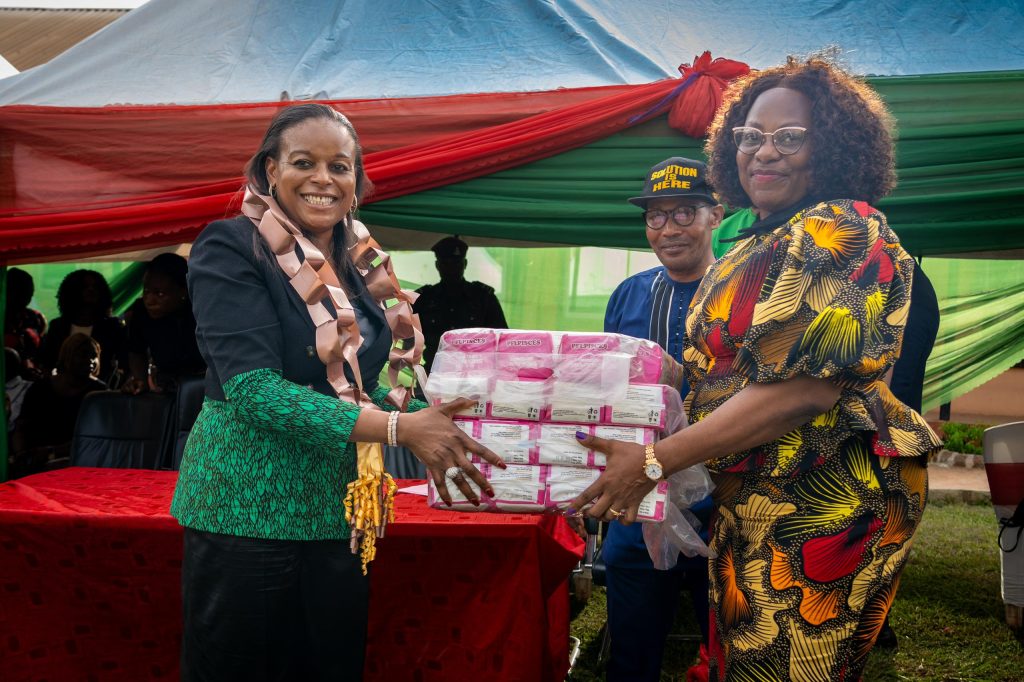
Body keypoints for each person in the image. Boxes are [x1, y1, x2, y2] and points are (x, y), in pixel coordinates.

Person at [571, 55, 942, 681]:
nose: (763, 153)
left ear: (834, 144)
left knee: (782, 668)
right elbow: (731, 366)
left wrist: (658, 460)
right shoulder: (765, 237)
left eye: (789, 137)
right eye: (750, 137)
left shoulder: (840, 228)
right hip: (752, 495)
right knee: (743, 661)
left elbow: (802, 391)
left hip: (819, 501)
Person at [170, 103, 504, 682]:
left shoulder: (357, 263)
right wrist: (403, 431)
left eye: (340, 166)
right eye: (304, 162)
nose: (324, 179)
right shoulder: (229, 247)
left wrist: (455, 419)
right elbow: (253, 391)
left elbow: (367, 384)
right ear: (270, 170)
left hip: (340, 507)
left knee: (329, 664)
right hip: (248, 505)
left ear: (356, 181)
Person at [601, 157, 722, 681]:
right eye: (656, 217)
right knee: (632, 645)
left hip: (729, 496)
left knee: (729, 644)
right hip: (638, 496)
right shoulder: (629, 293)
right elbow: (603, 392)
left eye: (684, 213)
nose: (668, 229)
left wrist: (688, 385)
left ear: (716, 214)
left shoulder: (745, 291)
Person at [11, 334, 106, 477]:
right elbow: (21, 427)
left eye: (94, 356)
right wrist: (22, 455)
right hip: (36, 459)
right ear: (68, 356)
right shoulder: (40, 388)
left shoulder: (99, 392)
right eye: (83, 355)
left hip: (78, 460)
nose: (91, 361)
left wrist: (52, 452)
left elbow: (96, 439)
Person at [414, 236, 508, 371]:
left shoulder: (483, 297)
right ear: (437, 265)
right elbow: (404, 338)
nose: (451, 269)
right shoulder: (424, 299)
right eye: (445, 263)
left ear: (465, 264)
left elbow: (502, 339)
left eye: (456, 263)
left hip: (475, 375)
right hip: (436, 375)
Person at [122, 253, 206, 394]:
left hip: (205, 385)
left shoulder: (202, 309)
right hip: (166, 386)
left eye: (159, 294)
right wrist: (139, 380)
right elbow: (136, 351)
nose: (149, 300)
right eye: (146, 291)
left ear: (183, 291)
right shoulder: (140, 312)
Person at [37, 269, 128, 385]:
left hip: (100, 390)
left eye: (95, 287)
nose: (91, 290)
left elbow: (124, 363)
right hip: (63, 391)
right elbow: (47, 363)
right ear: (72, 291)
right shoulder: (58, 326)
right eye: (85, 287)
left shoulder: (113, 327)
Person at [3, 267, 46, 374]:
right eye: (19, 291)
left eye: (29, 291)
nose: (27, 296)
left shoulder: (36, 318)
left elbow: (43, 352)